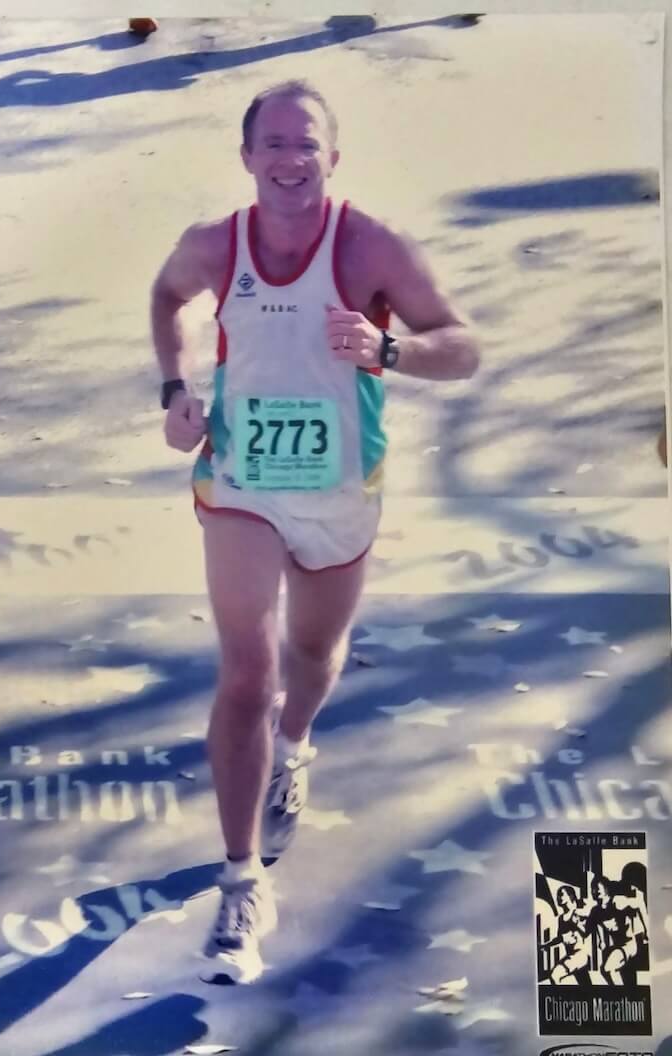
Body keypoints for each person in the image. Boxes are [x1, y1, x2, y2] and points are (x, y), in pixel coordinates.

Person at [150, 79, 480, 984]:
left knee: (312, 650)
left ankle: (297, 744)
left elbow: (463, 344)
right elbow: (167, 297)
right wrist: (176, 389)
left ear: (333, 158)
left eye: (309, 146)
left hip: (340, 488)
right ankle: (239, 881)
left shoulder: (373, 245)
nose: (291, 161)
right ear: (248, 155)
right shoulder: (217, 244)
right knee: (246, 671)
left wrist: (390, 351)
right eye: (275, 145)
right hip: (241, 483)